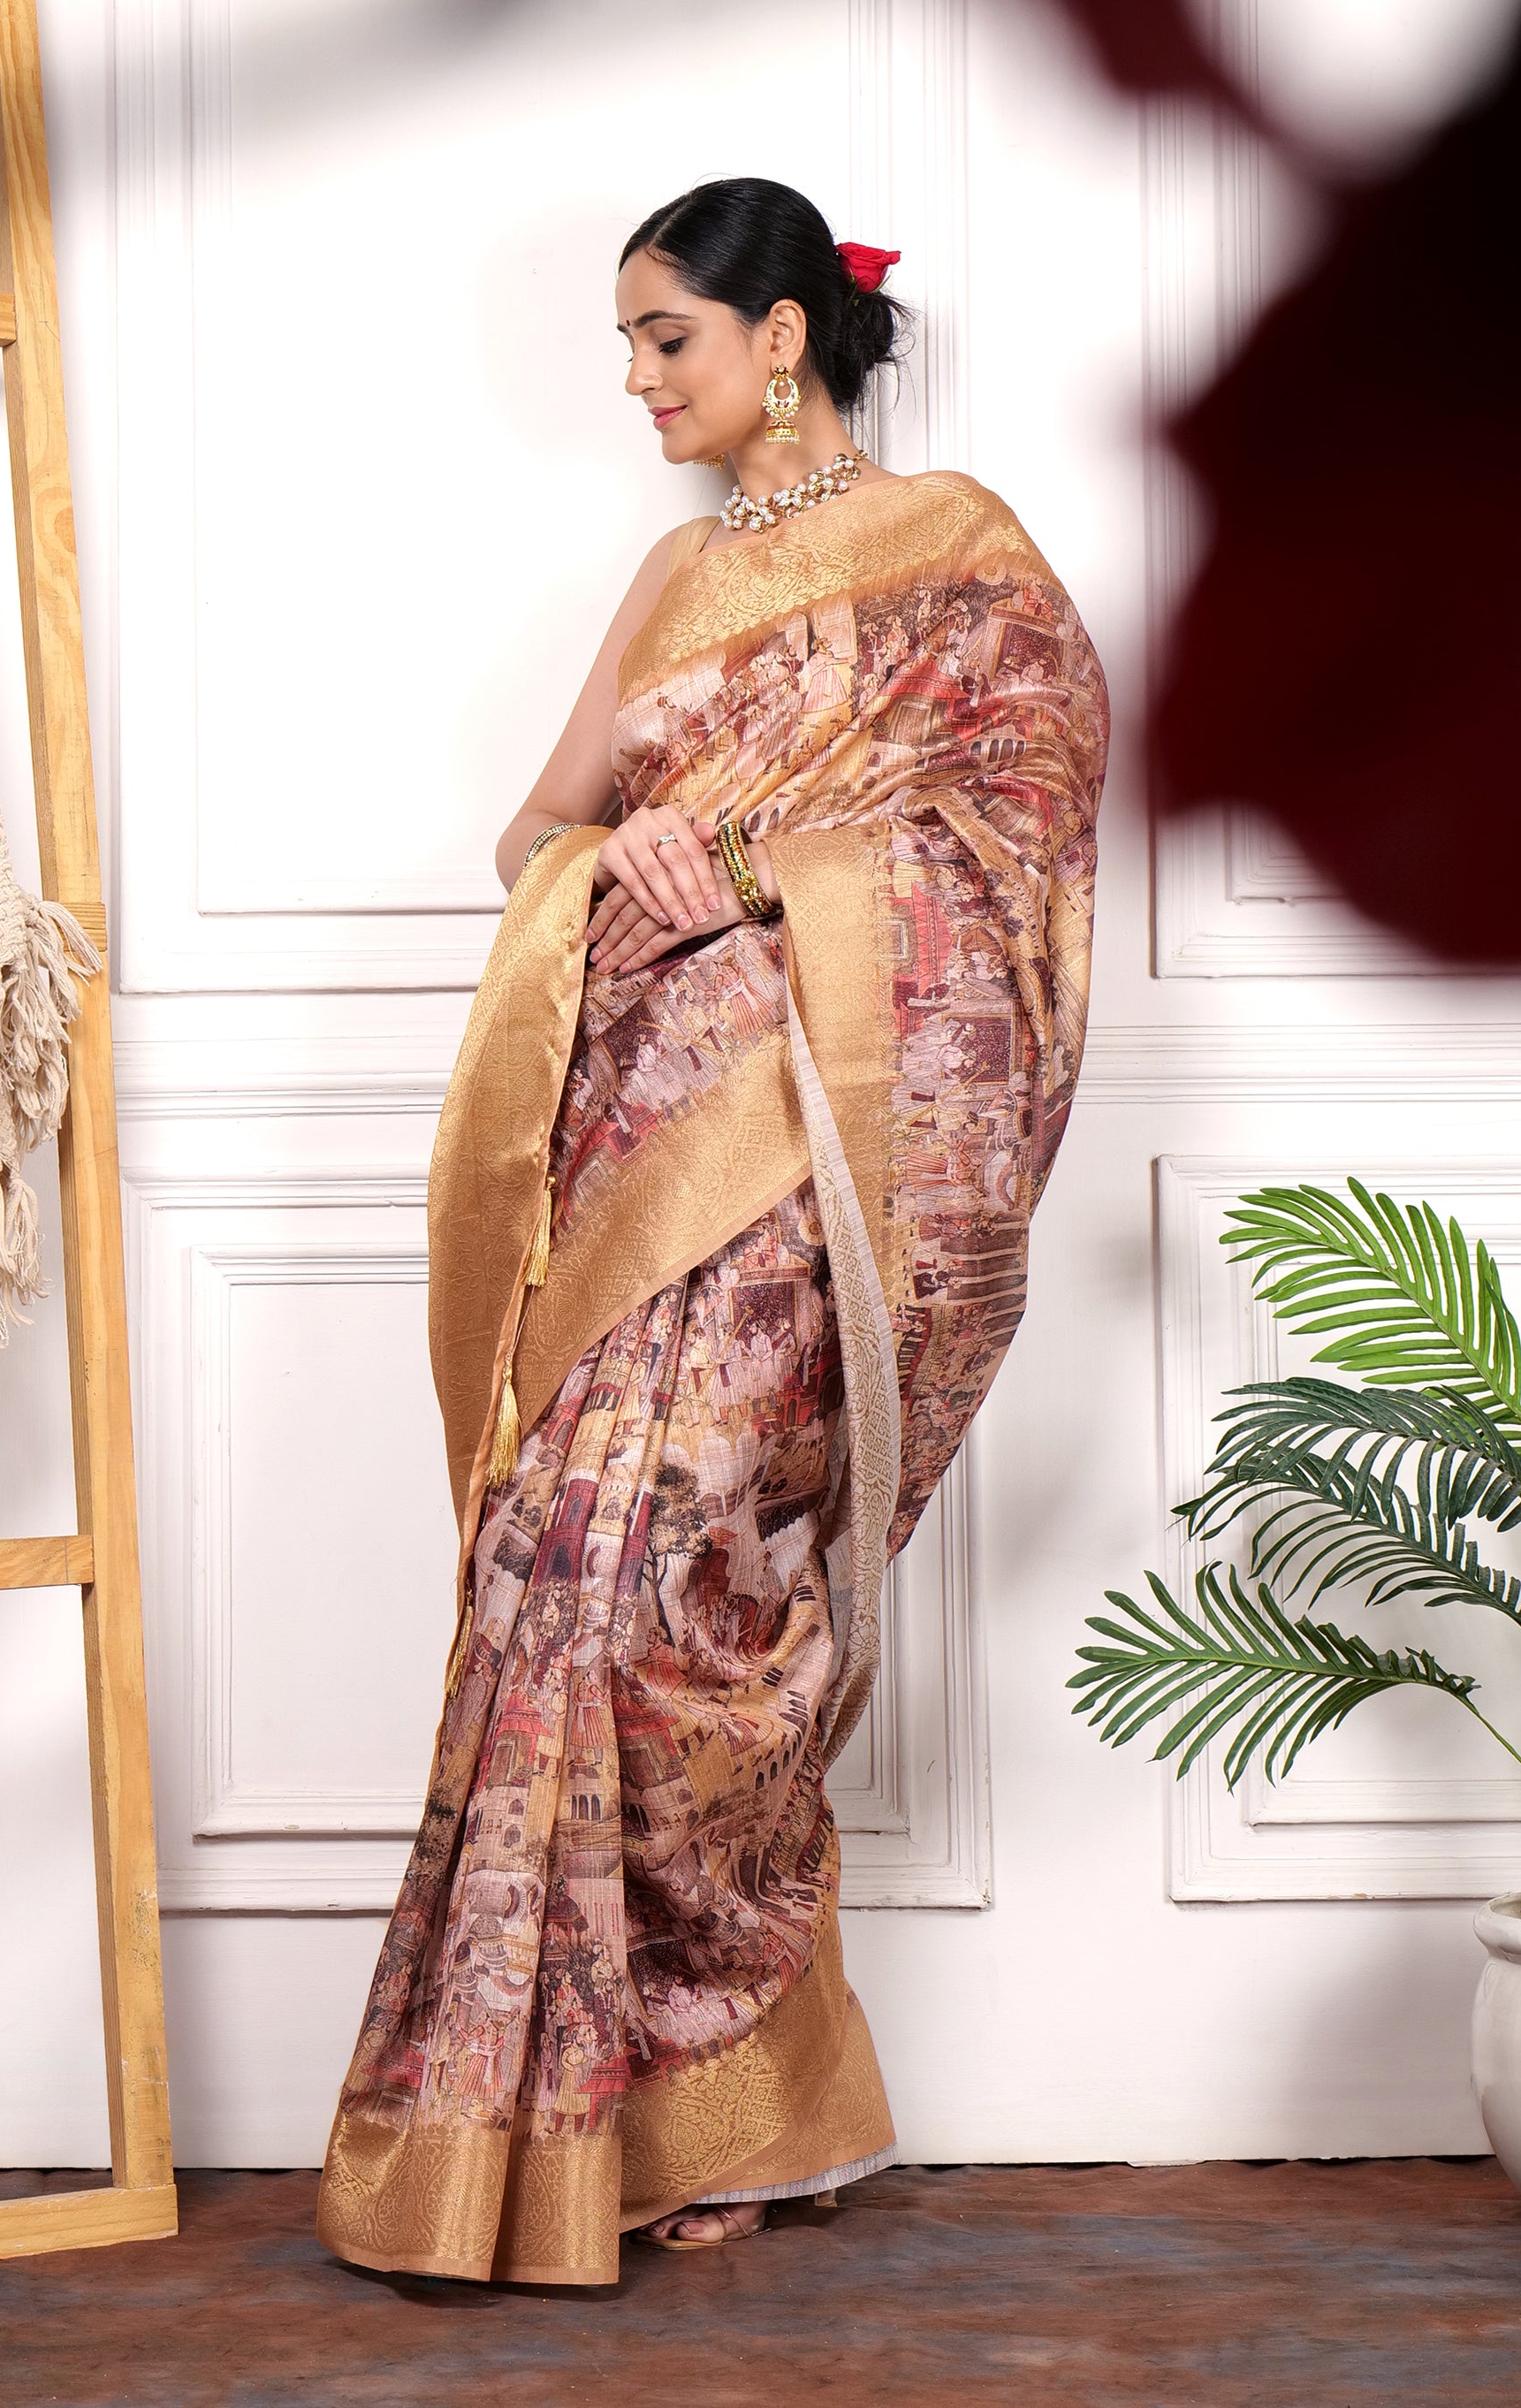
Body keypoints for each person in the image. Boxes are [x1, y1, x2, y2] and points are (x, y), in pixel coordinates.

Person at [316, 176, 1108, 2287]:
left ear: (786, 337)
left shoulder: (964, 556)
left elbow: (1014, 836)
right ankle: (548, 2134)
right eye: (624, 346)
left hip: (809, 1164)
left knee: (693, 1590)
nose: (640, 380)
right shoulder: (678, 573)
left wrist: (765, 860)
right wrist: (618, 860)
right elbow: (535, 835)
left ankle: (719, 2075)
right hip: (625, 1163)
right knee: (551, 1581)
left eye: (667, 337)